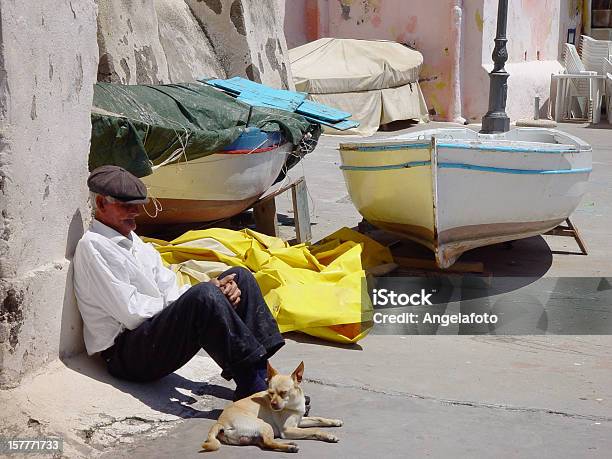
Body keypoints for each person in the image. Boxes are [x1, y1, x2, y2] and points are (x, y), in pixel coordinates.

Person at [73, 165, 286, 401]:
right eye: (127, 206)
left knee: (239, 277)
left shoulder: (133, 241)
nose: (135, 214)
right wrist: (200, 296)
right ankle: (253, 387)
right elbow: (132, 312)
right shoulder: (94, 246)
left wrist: (217, 289)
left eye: (138, 206)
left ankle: (264, 376)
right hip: (127, 355)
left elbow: (169, 287)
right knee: (204, 295)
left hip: (151, 337)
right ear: (102, 204)